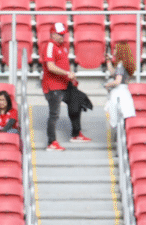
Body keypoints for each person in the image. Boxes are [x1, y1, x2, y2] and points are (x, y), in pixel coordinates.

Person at [42, 22, 91, 151]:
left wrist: (71, 78)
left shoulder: (62, 46)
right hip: (53, 86)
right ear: (53, 34)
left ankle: (76, 134)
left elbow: (63, 65)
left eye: (64, 34)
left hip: (65, 84)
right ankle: (51, 142)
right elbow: (50, 66)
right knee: (54, 115)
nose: (63, 37)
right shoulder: (50, 46)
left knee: (78, 100)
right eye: (60, 34)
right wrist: (67, 73)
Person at [104, 41, 137, 127]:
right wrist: (108, 62)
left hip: (118, 92)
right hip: (125, 91)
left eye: (115, 48)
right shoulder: (125, 64)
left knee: (115, 115)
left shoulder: (120, 65)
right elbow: (113, 73)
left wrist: (107, 85)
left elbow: (117, 81)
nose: (113, 50)